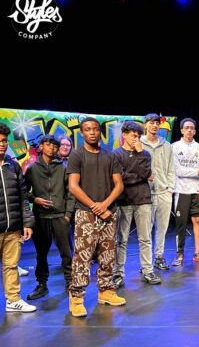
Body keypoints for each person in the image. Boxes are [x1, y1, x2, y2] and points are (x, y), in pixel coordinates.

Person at [67, 117, 125, 317]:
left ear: (100, 132)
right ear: (82, 133)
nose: (92, 132)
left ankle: (106, 291)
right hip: (86, 213)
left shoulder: (110, 156)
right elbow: (73, 186)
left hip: (109, 212)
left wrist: (105, 204)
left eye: (95, 129)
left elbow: (119, 185)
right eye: (87, 129)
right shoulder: (77, 155)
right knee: (82, 257)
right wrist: (95, 206)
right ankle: (76, 297)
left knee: (107, 255)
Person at [24, 135, 74, 300]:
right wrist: (35, 199)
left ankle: (70, 283)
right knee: (41, 254)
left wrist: (68, 215)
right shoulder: (32, 169)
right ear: (41, 146)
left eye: (55, 145)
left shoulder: (63, 168)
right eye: (48, 144)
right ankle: (42, 285)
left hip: (60, 216)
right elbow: (24, 191)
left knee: (66, 253)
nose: (52, 148)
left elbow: (71, 193)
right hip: (41, 217)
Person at [113, 121, 161, 287]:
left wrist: (140, 154)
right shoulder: (116, 154)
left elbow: (146, 172)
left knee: (145, 238)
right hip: (123, 201)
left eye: (139, 136)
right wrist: (140, 177)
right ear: (124, 135)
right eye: (133, 135)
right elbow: (120, 177)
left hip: (143, 200)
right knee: (121, 240)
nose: (136, 139)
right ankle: (118, 273)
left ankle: (148, 271)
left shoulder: (145, 154)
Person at [0, 123, 36, 312]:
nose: (2, 144)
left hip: (12, 227)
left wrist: (27, 223)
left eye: (4, 141)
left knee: (11, 265)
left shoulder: (13, 166)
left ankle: (13, 300)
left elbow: (23, 197)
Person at [140, 113, 176, 271]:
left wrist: (170, 189)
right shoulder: (139, 144)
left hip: (163, 193)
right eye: (151, 122)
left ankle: (159, 257)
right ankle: (146, 262)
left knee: (162, 229)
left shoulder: (166, 145)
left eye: (156, 123)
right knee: (145, 231)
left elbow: (171, 168)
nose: (154, 125)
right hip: (145, 194)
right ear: (145, 124)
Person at [172, 118, 199, 266]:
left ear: (195, 131)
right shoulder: (174, 147)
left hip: (197, 189)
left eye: (192, 128)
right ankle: (179, 254)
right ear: (182, 130)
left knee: (197, 220)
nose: (189, 130)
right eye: (187, 128)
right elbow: (177, 170)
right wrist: (195, 171)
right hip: (181, 190)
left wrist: (196, 172)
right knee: (181, 223)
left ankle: (197, 253)